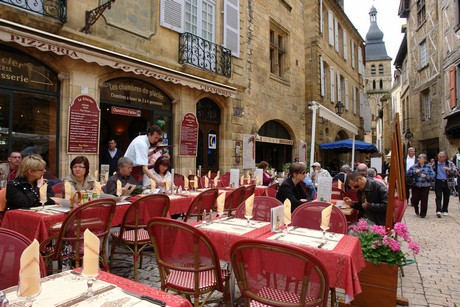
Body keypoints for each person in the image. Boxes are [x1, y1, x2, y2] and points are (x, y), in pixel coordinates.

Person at [406, 154, 435, 218]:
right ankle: (416, 208)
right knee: (415, 199)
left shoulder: (428, 167)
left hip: (425, 186)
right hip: (416, 185)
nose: (419, 159)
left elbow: (433, 175)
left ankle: (423, 214)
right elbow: (408, 173)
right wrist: (414, 172)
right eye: (418, 158)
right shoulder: (414, 166)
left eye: (420, 158)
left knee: (424, 200)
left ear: (424, 160)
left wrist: (426, 176)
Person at [432, 151, 458, 217]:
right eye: (438, 156)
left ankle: (445, 210)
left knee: (446, 196)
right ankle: (438, 210)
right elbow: (431, 171)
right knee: (438, 196)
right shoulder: (435, 163)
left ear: (445, 157)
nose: (439, 158)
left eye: (440, 157)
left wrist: (449, 169)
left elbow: (456, 172)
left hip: (447, 182)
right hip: (438, 181)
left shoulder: (450, 163)